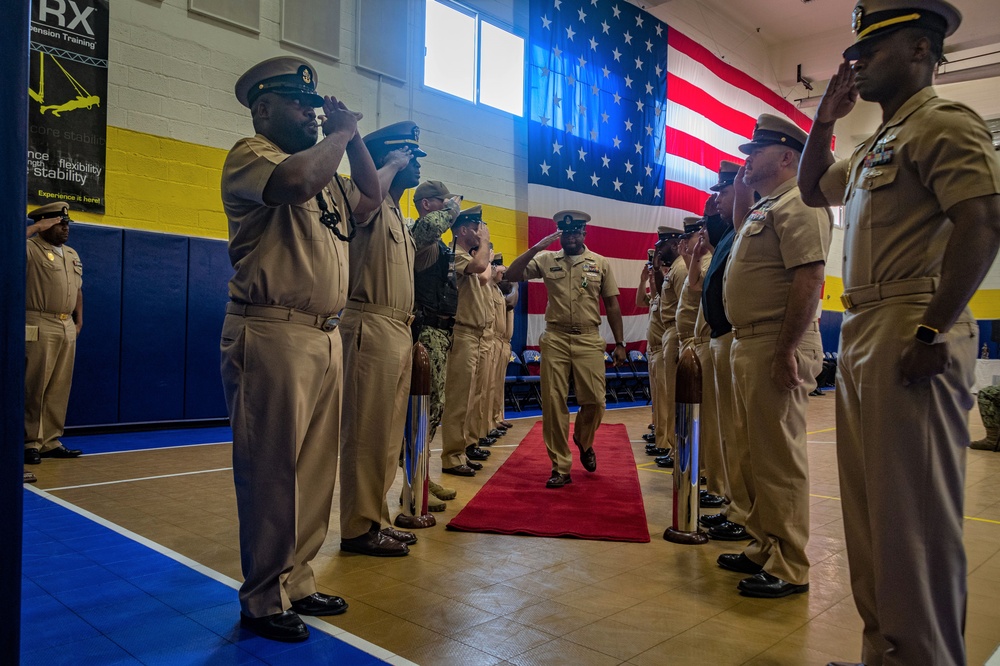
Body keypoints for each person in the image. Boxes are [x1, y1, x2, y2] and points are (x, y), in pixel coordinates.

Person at [797, 1, 1000, 661]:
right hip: (862, 325)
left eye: (872, 49)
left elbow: (983, 222)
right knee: (869, 521)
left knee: (913, 525)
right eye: (855, 51)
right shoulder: (870, 147)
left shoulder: (942, 123)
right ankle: (884, 654)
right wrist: (823, 120)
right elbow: (809, 189)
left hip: (911, 322)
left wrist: (931, 330)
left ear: (920, 49)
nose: (855, 61)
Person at [220, 56, 382, 642]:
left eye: (315, 106)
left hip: (323, 333)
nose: (312, 114)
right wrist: (338, 133)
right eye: (298, 104)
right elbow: (296, 183)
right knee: (271, 468)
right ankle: (262, 596)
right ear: (263, 109)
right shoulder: (251, 155)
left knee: (315, 467)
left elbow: (369, 195)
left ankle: (298, 579)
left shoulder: (330, 168)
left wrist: (353, 134)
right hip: (271, 330)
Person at [717, 113, 832, 599]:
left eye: (756, 151)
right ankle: (764, 544)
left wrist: (786, 348)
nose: (747, 159)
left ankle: (790, 563)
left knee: (778, 458)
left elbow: (809, 278)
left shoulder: (802, 203)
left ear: (787, 156)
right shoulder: (767, 206)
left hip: (777, 342)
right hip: (752, 341)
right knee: (752, 453)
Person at [339, 121, 427, 557]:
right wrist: (387, 167)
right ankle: (357, 528)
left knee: (388, 438)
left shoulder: (397, 213)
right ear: (389, 156)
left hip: (397, 328)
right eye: (408, 156)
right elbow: (363, 206)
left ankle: (376, 518)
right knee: (366, 435)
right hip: (369, 325)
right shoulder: (368, 198)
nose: (414, 165)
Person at [506, 211, 626, 488]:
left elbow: (612, 304)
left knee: (595, 402)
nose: (571, 236)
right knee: (553, 402)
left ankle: (584, 441)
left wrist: (620, 343)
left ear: (584, 233)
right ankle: (560, 466)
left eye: (576, 232)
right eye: (566, 232)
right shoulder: (547, 260)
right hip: (556, 338)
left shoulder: (600, 263)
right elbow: (512, 274)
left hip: (588, 339)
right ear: (560, 233)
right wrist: (536, 247)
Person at [699, 161, 753, 542]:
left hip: (739, 336)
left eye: (724, 191)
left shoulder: (744, 232)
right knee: (730, 433)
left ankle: (744, 512)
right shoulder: (729, 237)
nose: (717, 200)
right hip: (722, 337)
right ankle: (736, 506)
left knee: (741, 436)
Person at [410, 180, 463, 507]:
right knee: (424, 409)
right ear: (428, 205)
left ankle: (422, 476)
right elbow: (423, 233)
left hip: (442, 333)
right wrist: (451, 210)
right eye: (443, 202)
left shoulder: (441, 244)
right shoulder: (422, 237)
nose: (450, 208)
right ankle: (414, 482)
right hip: (426, 331)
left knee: (435, 407)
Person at [25, 202, 84, 466]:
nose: (65, 228)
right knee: (34, 386)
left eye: (67, 224)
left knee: (59, 386)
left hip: (66, 325)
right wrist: (34, 228)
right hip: (39, 321)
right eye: (60, 223)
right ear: (45, 223)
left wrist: (78, 319)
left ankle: (50, 440)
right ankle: (29, 442)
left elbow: (78, 288)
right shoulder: (30, 248)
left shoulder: (71, 253)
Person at [440, 206, 493, 477]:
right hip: (461, 334)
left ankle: (459, 451)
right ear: (462, 230)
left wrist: (483, 242)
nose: (479, 231)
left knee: (469, 398)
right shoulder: (456, 254)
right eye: (475, 227)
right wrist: (484, 243)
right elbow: (481, 267)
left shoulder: (463, 255)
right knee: (459, 400)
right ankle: (451, 456)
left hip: (474, 334)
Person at [651, 231, 687, 467]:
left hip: (676, 331)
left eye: (662, 244)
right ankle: (674, 448)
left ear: (675, 244)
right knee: (669, 398)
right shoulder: (673, 268)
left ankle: (678, 450)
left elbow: (687, 302)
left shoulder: (681, 268)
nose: (658, 249)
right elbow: (662, 298)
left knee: (674, 399)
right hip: (668, 333)